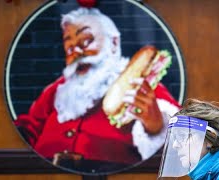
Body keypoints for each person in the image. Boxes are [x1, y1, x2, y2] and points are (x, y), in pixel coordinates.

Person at [14, 7, 180, 173]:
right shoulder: (57, 89)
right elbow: (28, 128)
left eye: (86, 41)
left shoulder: (140, 84)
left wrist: (156, 125)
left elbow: (185, 132)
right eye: (70, 48)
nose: (76, 53)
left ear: (114, 43)